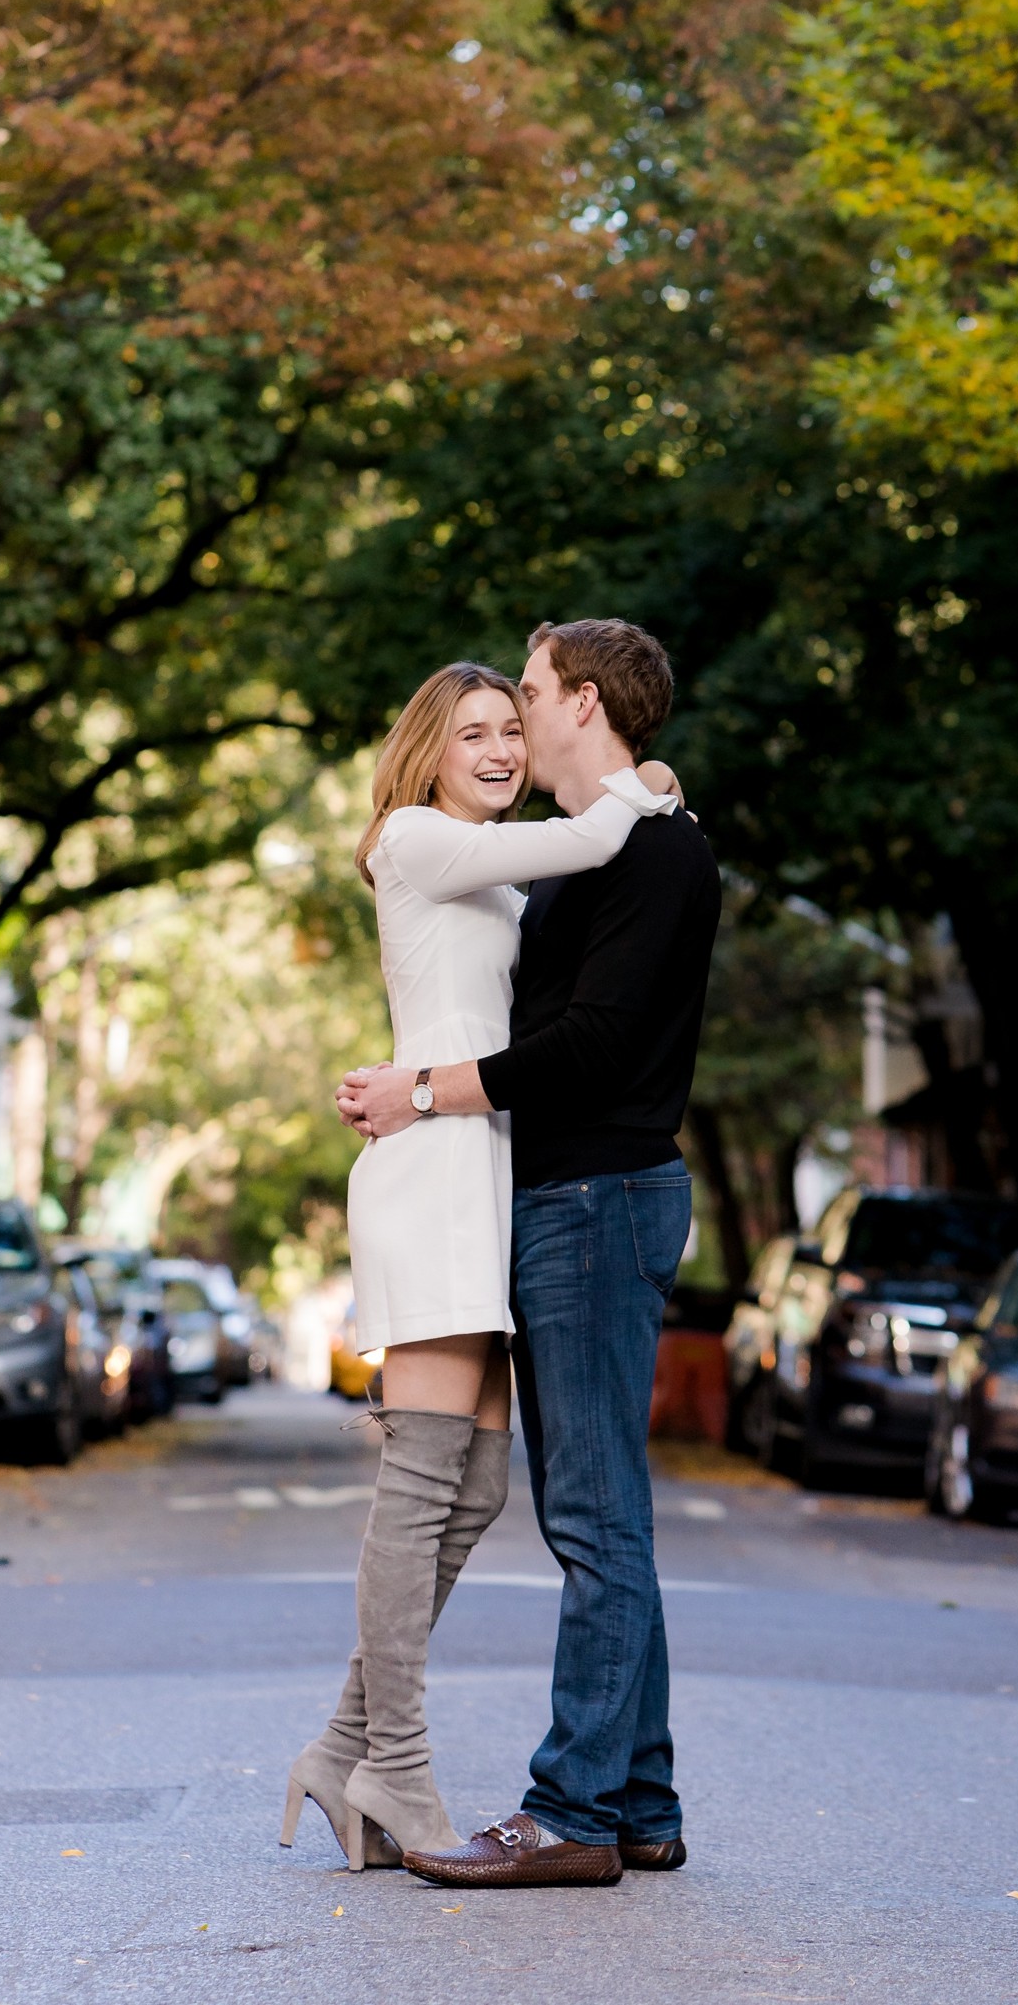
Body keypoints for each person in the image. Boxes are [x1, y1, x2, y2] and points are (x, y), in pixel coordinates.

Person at [338, 618, 721, 1887]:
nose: (517, 718)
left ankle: (572, 1809)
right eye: (481, 721)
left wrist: (431, 1085)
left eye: (532, 695)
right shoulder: (524, 854)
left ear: (583, 702)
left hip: (589, 1192)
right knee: (581, 1505)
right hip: (531, 1190)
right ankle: (634, 1795)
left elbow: (594, 1040)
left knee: (589, 1511)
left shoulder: (639, 851)